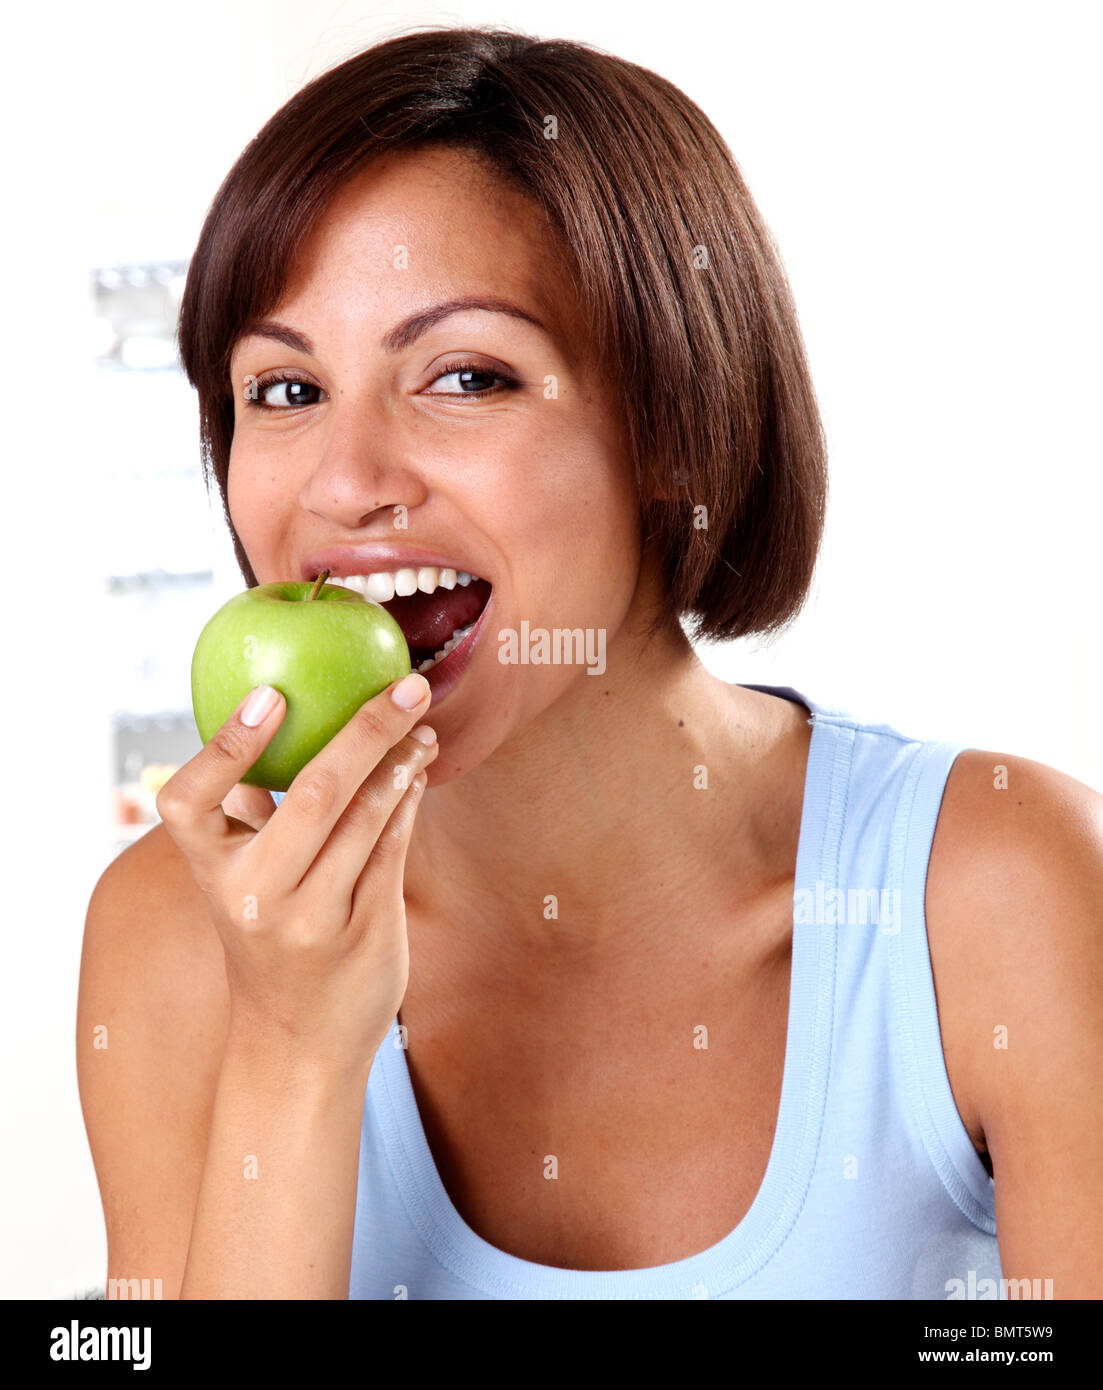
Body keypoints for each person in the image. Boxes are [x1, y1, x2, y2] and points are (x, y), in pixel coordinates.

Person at [77, 26, 1103, 1300]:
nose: (345, 483)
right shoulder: (177, 935)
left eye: (464, 375)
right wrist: (294, 1050)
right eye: (283, 392)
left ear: (672, 428)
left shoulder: (1003, 895)